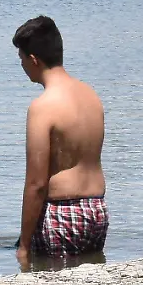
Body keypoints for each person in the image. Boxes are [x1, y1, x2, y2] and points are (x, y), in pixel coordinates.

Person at [12, 15, 107, 268]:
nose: (22, 67)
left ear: (34, 60)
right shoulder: (91, 95)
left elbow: (36, 184)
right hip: (96, 210)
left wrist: (23, 246)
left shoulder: (43, 107)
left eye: (21, 60)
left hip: (62, 214)